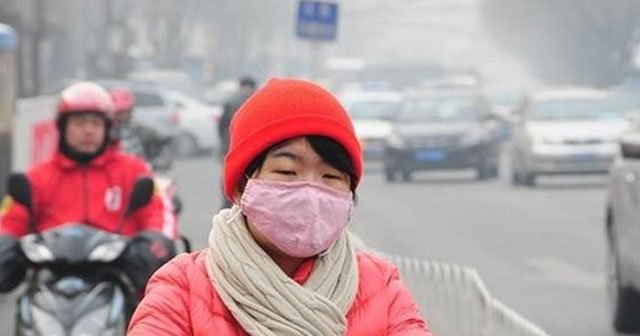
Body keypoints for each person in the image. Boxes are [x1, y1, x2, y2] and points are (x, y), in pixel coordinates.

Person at [127, 78, 431, 335]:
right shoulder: (182, 290)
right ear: (240, 187)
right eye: (287, 172)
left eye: (331, 176)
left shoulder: (381, 288)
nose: (310, 193)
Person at [0, 82, 177, 293]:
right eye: (79, 123)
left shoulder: (134, 171)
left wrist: (154, 242)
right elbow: (8, 222)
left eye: (96, 123)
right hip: (50, 285)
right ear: (63, 127)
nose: (88, 131)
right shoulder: (37, 177)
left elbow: (159, 214)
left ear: (107, 128)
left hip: (117, 282)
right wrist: (6, 244)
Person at [217, 76, 257, 209]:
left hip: (231, 144)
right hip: (252, 144)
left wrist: (223, 142)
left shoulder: (230, 100)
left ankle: (229, 202)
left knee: (230, 174)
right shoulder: (258, 99)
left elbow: (222, 125)